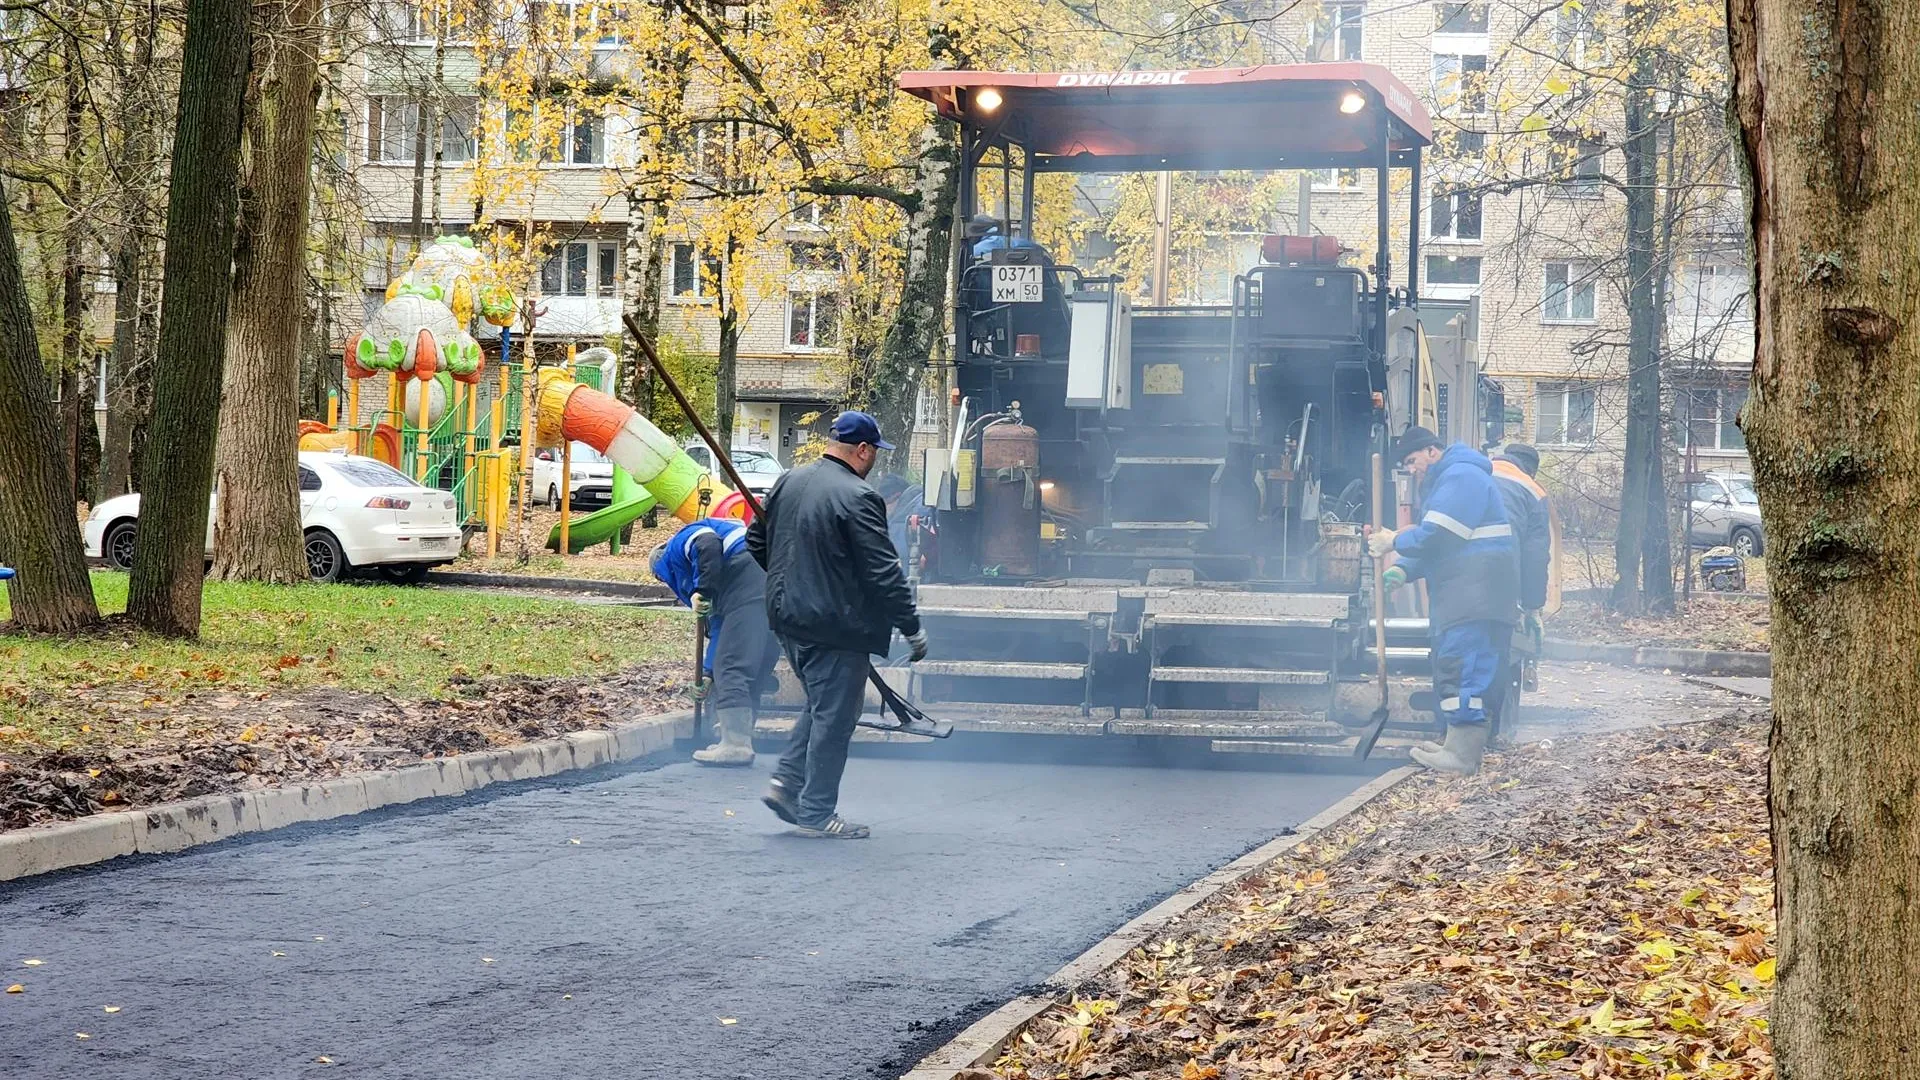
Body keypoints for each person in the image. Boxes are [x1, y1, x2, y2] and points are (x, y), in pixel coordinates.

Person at [747, 411, 928, 839]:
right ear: (862, 450)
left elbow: (756, 540)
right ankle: (816, 813)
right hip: (834, 623)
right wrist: (911, 627)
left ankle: (786, 784)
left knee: (821, 705)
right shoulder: (859, 496)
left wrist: (792, 582)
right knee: (836, 717)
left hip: (787, 618)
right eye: (875, 452)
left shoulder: (789, 481)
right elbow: (883, 571)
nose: (875, 460)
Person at [1367, 427, 1520, 775]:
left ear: (1432, 451)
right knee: (1457, 667)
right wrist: (1403, 570)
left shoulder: (1461, 476)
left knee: (1464, 669)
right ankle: (1455, 745)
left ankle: (1462, 756)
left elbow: (1440, 535)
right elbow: (1444, 548)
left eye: (1412, 460)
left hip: (1473, 596)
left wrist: (1394, 542)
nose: (1411, 469)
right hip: (1471, 594)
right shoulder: (1453, 478)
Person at [651, 516, 782, 767]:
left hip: (748, 572)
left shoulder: (678, 544)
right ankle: (738, 738)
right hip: (775, 575)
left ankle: (736, 745)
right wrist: (708, 672)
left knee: (732, 667)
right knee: (754, 664)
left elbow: (708, 543)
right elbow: (722, 628)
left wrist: (703, 590)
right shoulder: (720, 573)